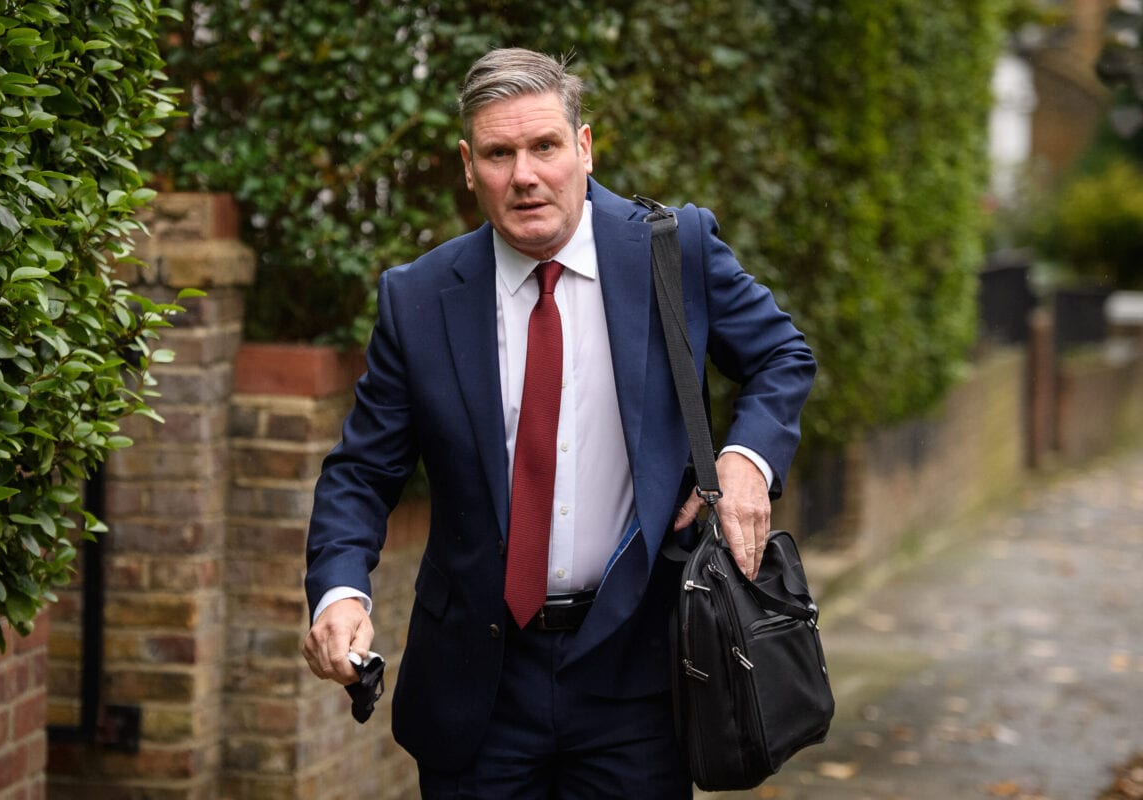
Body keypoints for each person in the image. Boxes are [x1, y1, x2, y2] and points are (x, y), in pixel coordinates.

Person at [301, 47, 815, 799]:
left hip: (639, 677)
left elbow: (780, 355)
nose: (525, 175)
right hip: (476, 689)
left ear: (584, 146)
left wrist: (742, 460)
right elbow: (362, 471)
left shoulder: (674, 252)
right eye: (499, 153)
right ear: (469, 166)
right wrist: (339, 590)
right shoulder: (418, 300)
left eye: (544, 145)